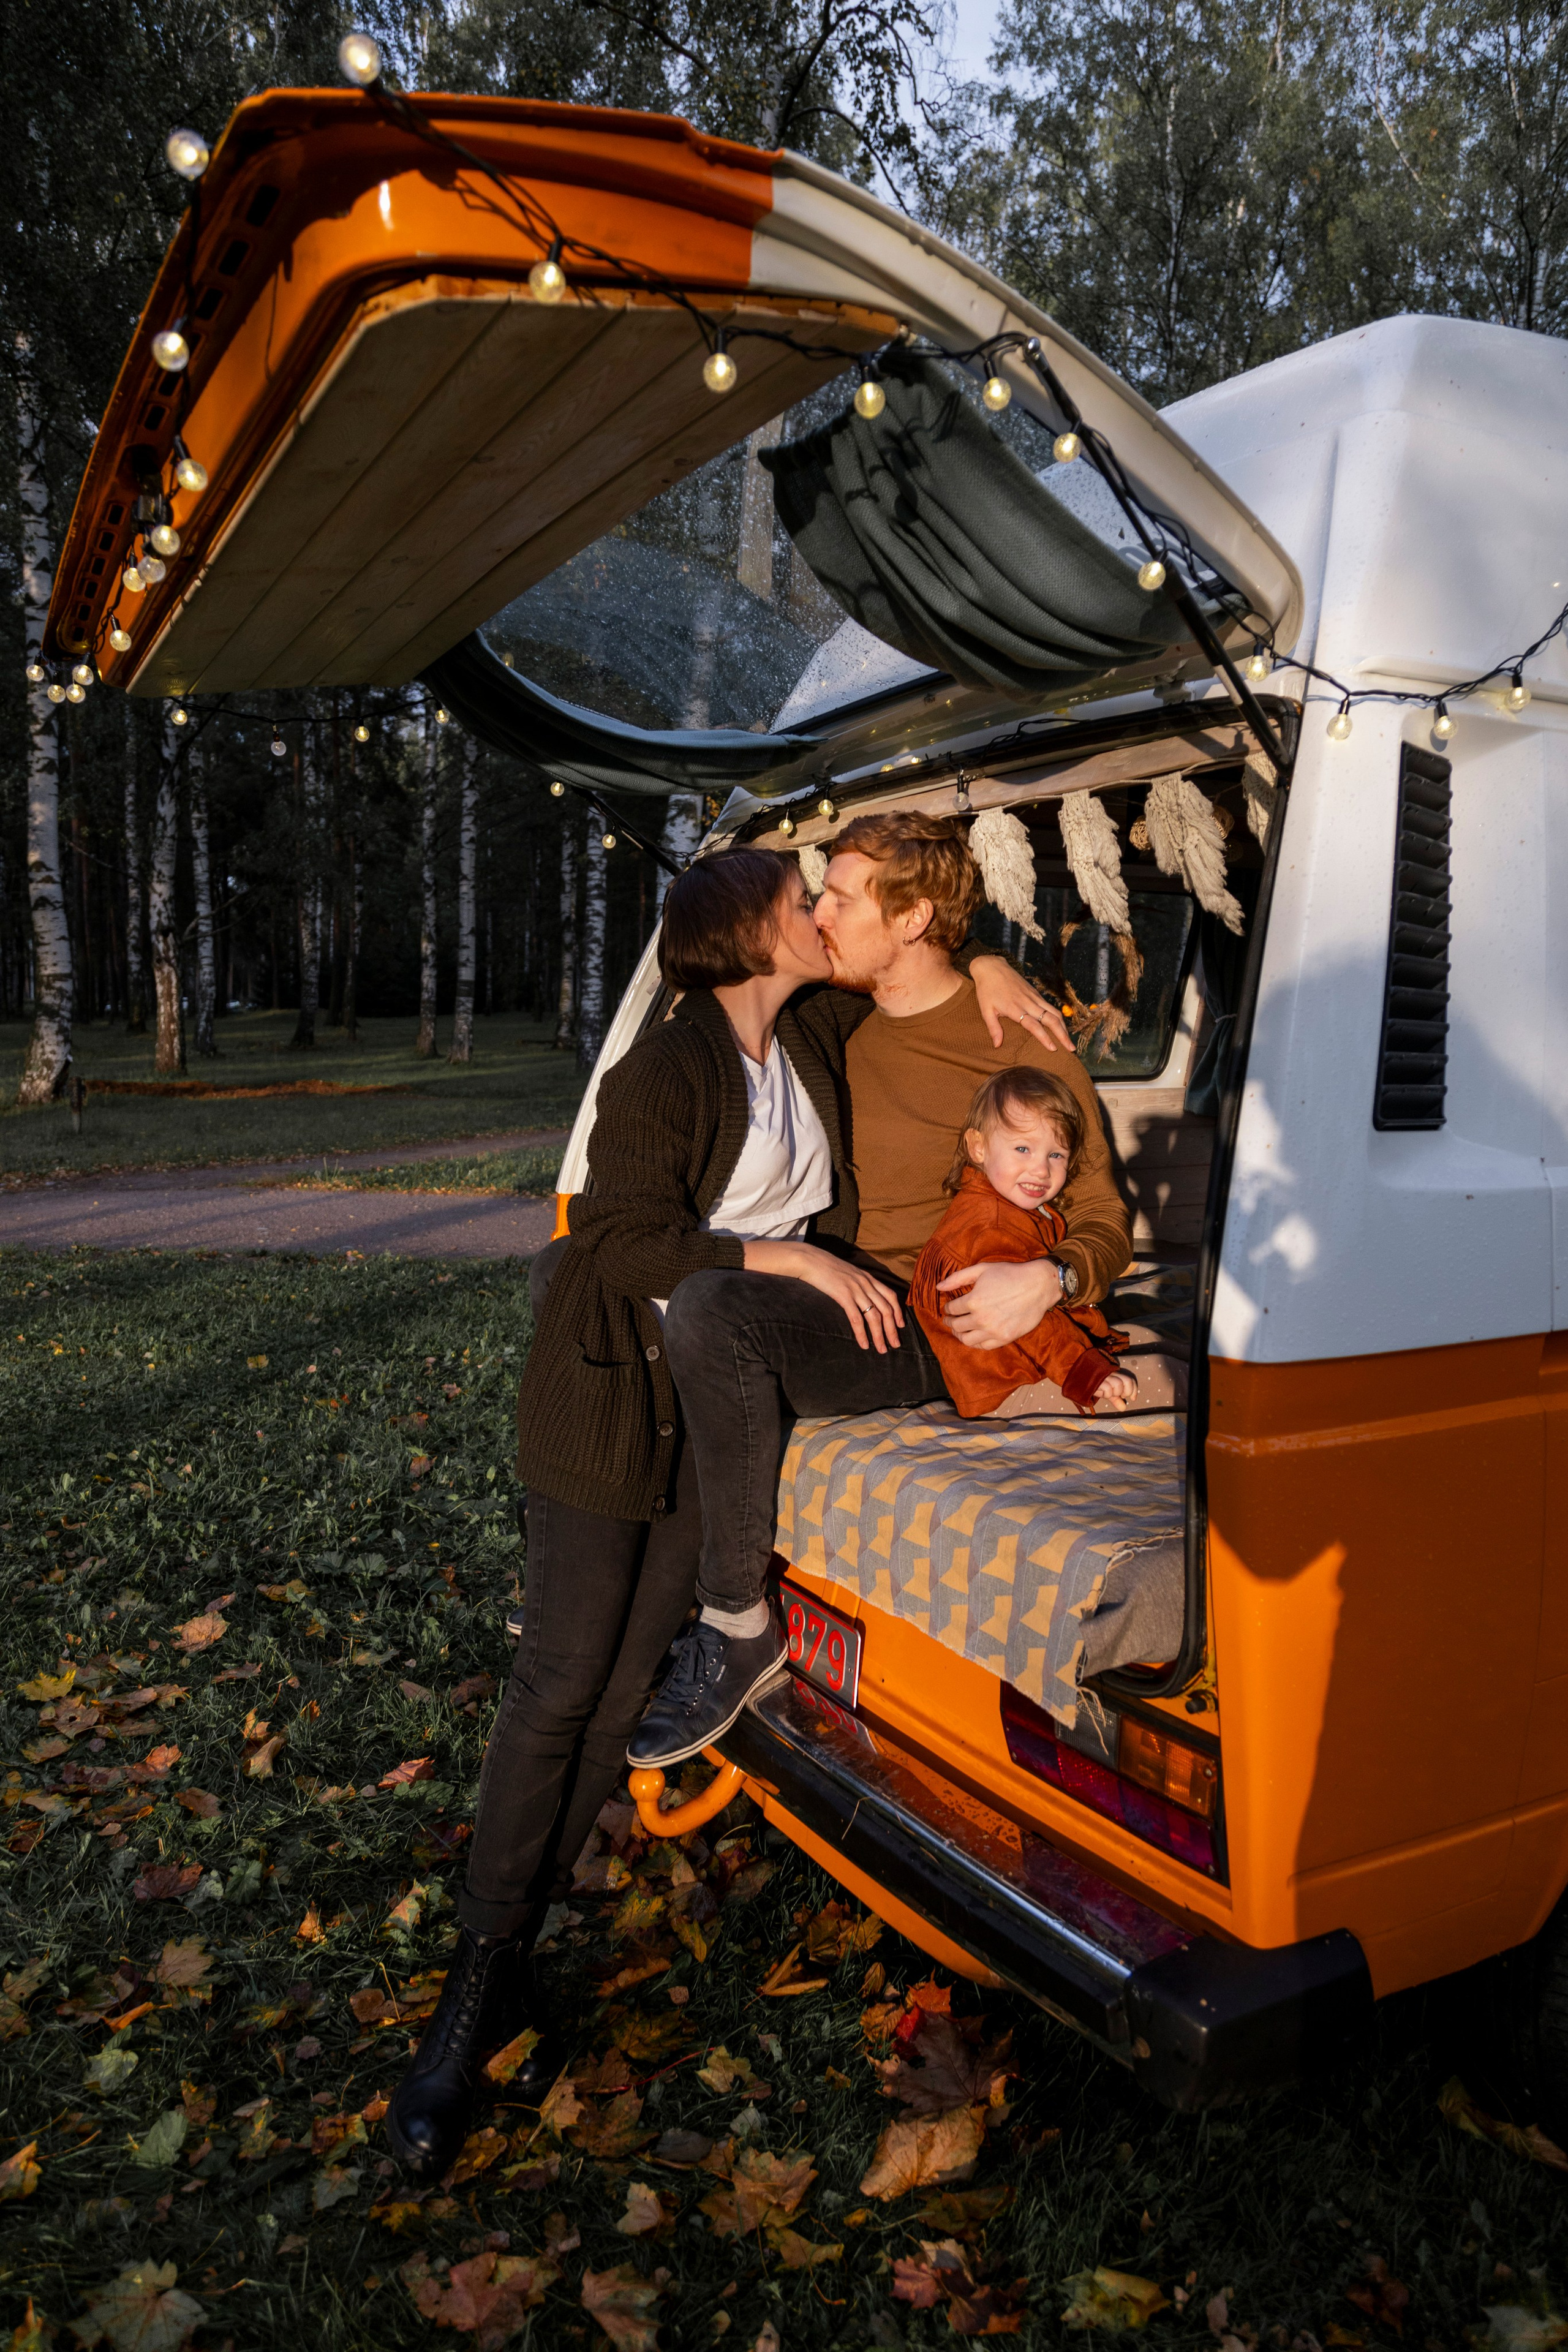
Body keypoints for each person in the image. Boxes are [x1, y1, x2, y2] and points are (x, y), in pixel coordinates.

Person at [383, 843, 1061, 2180]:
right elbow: (615, 1237)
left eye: (824, 900)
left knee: (637, 1670)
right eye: (795, 904)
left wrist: (982, 956)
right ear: (747, 938)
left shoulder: (804, 1028)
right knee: (561, 1674)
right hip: (603, 1393)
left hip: (706, 1399)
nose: (818, 915)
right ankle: (475, 1986)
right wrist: (783, 1252)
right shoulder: (668, 1064)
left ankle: (521, 1935)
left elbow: (912, 974)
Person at [628, 809, 1134, 1770]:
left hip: (941, 1321)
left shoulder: (1021, 1046)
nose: (818, 912)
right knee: (669, 1287)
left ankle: (738, 1628)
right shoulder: (833, 1020)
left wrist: (1051, 1276)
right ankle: (602, 1590)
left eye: (840, 896)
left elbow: (1109, 1215)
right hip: (842, 1298)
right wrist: (985, 953)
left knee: (708, 1306)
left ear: (912, 919)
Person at [910, 1066, 1138, 1418]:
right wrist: (1087, 1372)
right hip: (1011, 1385)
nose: (1042, 1170)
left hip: (1032, 1365)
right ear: (979, 1147)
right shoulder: (992, 1226)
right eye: (1022, 1148)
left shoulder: (1001, 1204)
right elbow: (1034, 1325)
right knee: (1176, 1383)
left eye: (1056, 1155)